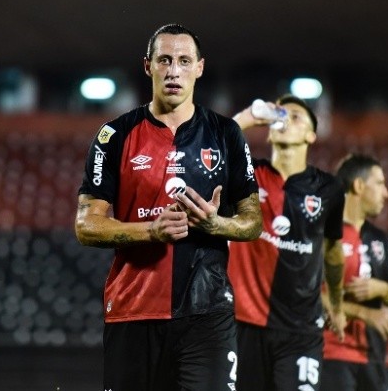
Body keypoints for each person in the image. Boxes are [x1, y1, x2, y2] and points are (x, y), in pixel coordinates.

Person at [74, 23, 263, 391]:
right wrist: (151, 231)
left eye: (183, 60)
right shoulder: (113, 135)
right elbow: (86, 225)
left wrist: (215, 225)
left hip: (207, 312)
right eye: (164, 60)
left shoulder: (226, 134)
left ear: (199, 67)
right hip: (134, 310)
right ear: (148, 66)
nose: (174, 70)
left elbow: (252, 222)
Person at [227, 95, 347, 391]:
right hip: (243, 325)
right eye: (280, 115)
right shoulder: (247, 175)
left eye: (295, 117)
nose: (285, 120)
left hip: (301, 330)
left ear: (311, 135)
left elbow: (332, 252)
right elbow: (209, 150)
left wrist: (336, 302)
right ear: (269, 129)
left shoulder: (329, 189)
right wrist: (247, 118)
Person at [320, 153, 388, 391]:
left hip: (374, 356)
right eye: (379, 183)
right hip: (332, 353)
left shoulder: (379, 238)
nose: (386, 192)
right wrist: (367, 314)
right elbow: (313, 294)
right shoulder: (324, 232)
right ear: (359, 185)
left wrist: (380, 288)